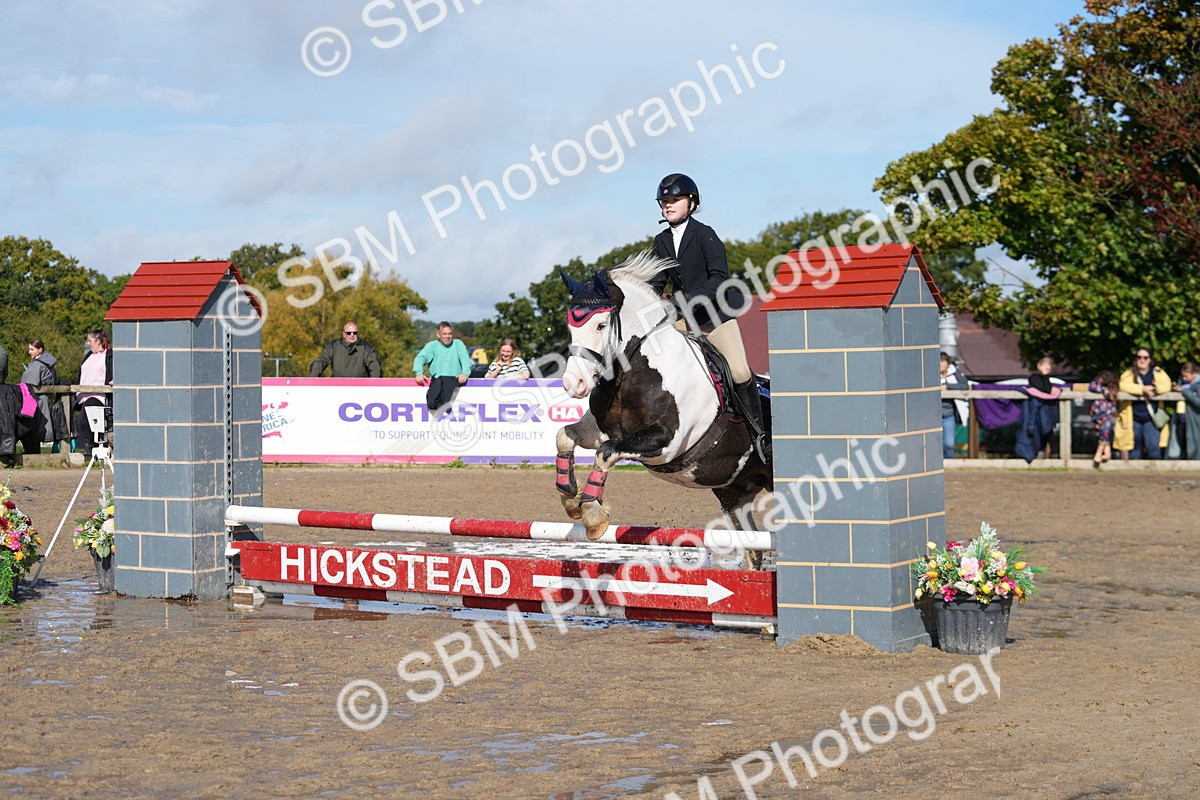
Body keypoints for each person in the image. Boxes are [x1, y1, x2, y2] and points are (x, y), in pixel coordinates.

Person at [648, 173, 769, 460]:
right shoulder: (661, 241)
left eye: (674, 199)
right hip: (683, 319)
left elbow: (719, 278)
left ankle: (760, 435)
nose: (668, 205)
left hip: (715, 317)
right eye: (664, 201)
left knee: (739, 372)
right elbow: (657, 282)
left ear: (691, 203)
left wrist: (685, 300)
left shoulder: (705, 234)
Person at [1115, 347, 1172, 460]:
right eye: (1139, 357)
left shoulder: (1158, 373)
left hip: (1151, 418)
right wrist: (1142, 389)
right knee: (1134, 449)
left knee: (1153, 448)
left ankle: (1156, 470)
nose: (1142, 360)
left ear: (1150, 359)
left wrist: (1155, 388)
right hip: (1133, 418)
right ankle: (1134, 470)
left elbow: (1167, 385)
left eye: (1145, 357)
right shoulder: (1129, 373)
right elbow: (1122, 385)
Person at [413, 322, 473, 416]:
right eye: (444, 334)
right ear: (438, 335)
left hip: (455, 383)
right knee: (432, 404)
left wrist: (465, 373)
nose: (447, 336)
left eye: (450, 333)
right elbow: (420, 358)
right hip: (437, 383)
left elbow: (465, 360)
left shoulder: (458, 344)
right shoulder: (432, 346)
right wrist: (419, 373)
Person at [19, 339, 68, 452]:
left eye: (32, 349)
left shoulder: (37, 365)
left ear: (40, 350)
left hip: (35, 400)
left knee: (32, 427)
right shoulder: (49, 364)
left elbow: (27, 382)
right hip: (45, 399)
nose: (29, 352)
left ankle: (31, 453)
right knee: (39, 427)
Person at [75, 330, 114, 458]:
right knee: (82, 420)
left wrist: (112, 380)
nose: (88, 343)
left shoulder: (108, 355)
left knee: (85, 419)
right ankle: (91, 446)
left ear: (97, 341)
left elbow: (112, 371)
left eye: (90, 341)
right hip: (83, 395)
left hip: (99, 395)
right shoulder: (89, 355)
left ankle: (90, 445)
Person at [309, 322, 382, 378]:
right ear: (344, 334)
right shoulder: (333, 346)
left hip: (360, 388)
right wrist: (312, 379)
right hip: (338, 387)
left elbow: (375, 368)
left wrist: (374, 385)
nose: (352, 335)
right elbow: (320, 362)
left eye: (355, 333)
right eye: (349, 333)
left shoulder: (366, 348)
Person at [1025, 357, 1062, 460]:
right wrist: (1046, 377)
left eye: (1048, 367)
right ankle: (1047, 454)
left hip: (1047, 410)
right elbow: (1044, 389)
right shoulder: (1034, 377)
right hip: (1038, 410)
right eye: (1044, 366)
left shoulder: (1047, 379)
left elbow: (1047, 389)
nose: (1046, 368)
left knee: (1048, 431)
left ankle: (1051, 455)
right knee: (1044, 431)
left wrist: (1046, 377)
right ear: (1039, 366)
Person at [939, 352, 967, 459]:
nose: (940, 364)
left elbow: (965, 386)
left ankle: (947, 462)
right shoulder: (929, 374)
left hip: (949, 415)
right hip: (933, 416)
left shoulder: (955, 373)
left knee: (948, 444)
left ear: (947, 363)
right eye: (938, 361)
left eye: (942, 361)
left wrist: (948, 387)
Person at [1088, 369, 1118, 467]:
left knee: (1105, 432)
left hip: (1107, 415)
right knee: (1101, 432)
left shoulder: (1113, 389)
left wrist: (1106, 391)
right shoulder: (1096, 385)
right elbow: (1092, 386)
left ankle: (1099, 451)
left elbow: (1111, 395)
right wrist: (1103, 389)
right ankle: (1107, 452)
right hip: (1096, 415)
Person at [1174, 362, 1200, 460]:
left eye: (1186, 376)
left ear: (1194, 374)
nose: (1184, 378)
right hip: (1182, 417)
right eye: (1183, 376)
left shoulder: (1197, 385)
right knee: (1182, 441)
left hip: (1195, 418)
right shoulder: (1183, 383)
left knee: (1195, 441)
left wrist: (1184, 391)